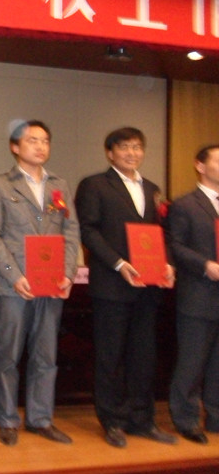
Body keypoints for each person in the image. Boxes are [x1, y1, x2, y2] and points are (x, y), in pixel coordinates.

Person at [75, 127, 176, 448]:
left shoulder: (152, 189)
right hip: (112, 285)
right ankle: (112, 421)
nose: (132, 153)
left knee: (143, 356)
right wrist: (119, 263)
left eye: (137, 147)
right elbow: (88, 231)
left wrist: (167, 263)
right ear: (110, 153)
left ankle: (142, 420)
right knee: (111, 357)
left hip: (148, 287)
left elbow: (162, 233)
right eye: (124, 147)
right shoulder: (94, 185)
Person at [0, 120, 79, 446]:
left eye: (45, 141)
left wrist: (68, 273)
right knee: (8, 356)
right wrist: (14, 275)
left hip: (52, 284)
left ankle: (41, 419)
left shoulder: (59, 186)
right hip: (15, 286)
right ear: (15, 147)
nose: (40, 146)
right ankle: (8, 421)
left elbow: (70, 232)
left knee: (45, 356)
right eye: (32, 140)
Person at [167, 145, 219, 444]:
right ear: (200, 166)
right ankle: (186, 419)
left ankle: (216, 417)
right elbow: (175, 245)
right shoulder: (185, 204)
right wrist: (205, 265)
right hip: (199, 294)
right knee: (192, 362)